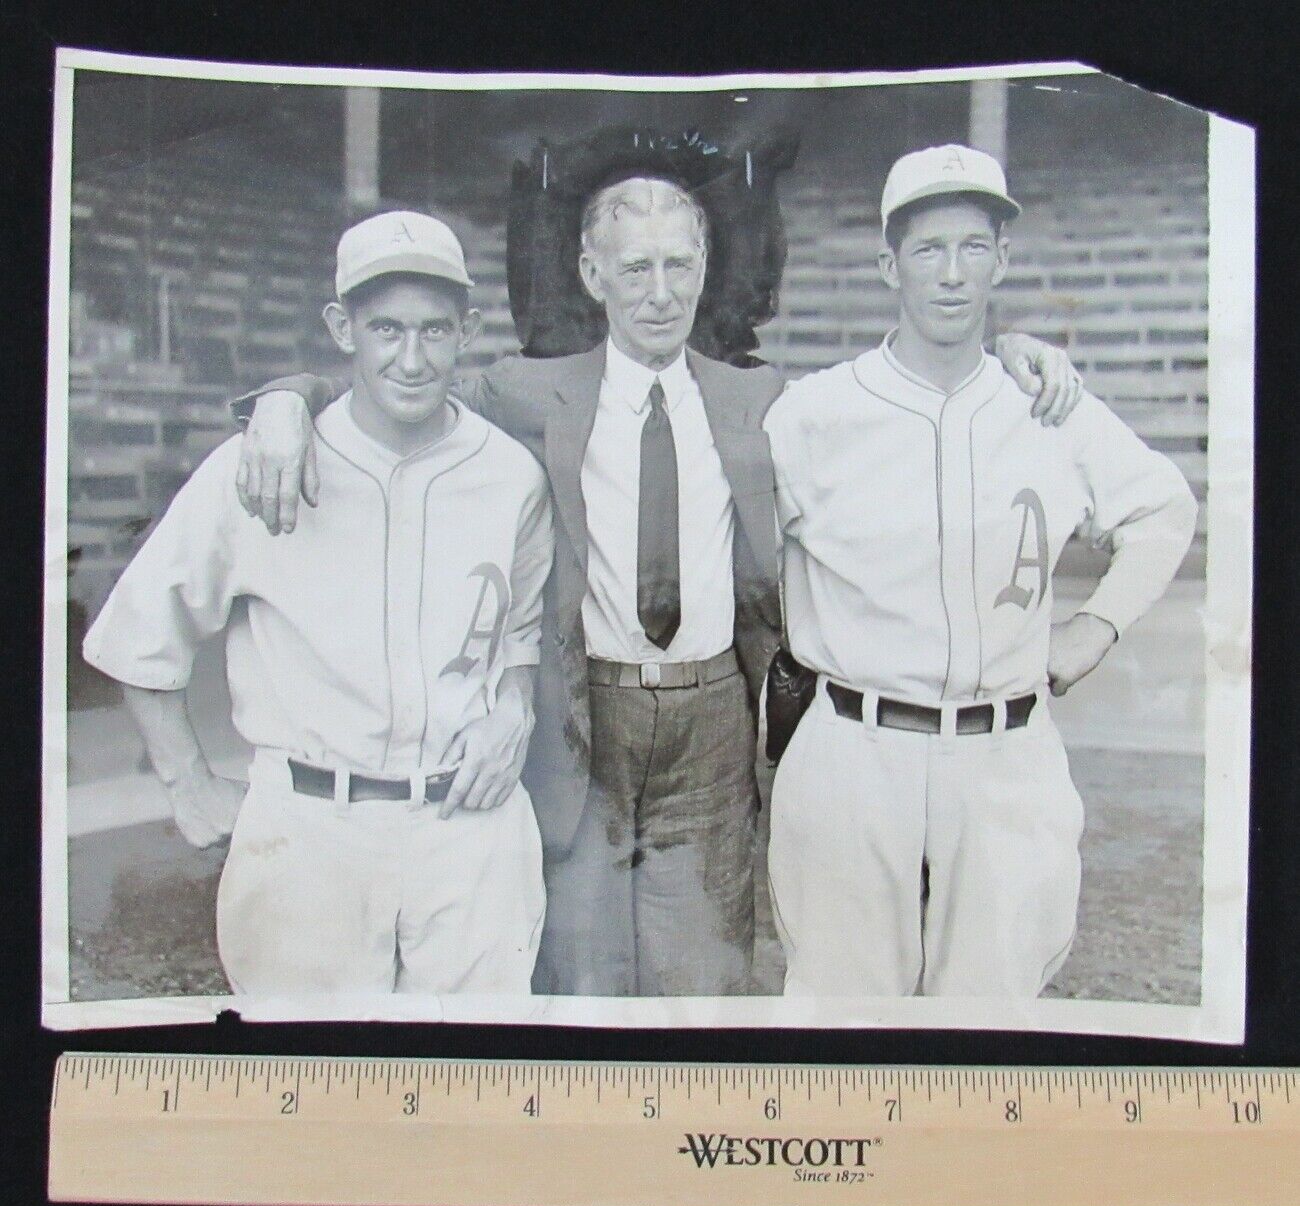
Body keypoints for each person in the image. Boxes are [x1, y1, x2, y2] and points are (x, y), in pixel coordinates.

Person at [232, 171, 1082, 997]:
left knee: (701, 978)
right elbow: (394, 385)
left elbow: (907, 378)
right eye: (635, 268)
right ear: (591, 274)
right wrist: (284, 400)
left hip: (710, 711)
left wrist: (1007, 348)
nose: (660, 292)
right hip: (585, 715)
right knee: (579, 974)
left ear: (704, 271)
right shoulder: (525, 393)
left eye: (679, 265)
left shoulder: (761, 399)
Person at [762, 145, 1199, 998]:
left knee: (993, 1014)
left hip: (1005, 752)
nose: (952, 273)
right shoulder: (815, 413)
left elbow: (1164, 508)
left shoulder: (1049, 406)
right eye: (928, 249)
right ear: (889, 263)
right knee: (840, 1017)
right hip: (856, 746)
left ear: (1004, 257)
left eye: (973, 246)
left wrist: (1096, 623)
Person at [82, 211, 552, 998]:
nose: (411, 358)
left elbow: (520, 632)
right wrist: (186, 781)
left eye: (435, 331)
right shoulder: (257, 468)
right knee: (308, 1085)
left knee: (474, 1088)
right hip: (310, 829)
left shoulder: (510, 475)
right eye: (385, 329)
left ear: (467, 331)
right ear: (343, 328)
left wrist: (515, 707)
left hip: (471, 831)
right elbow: (138, 638)